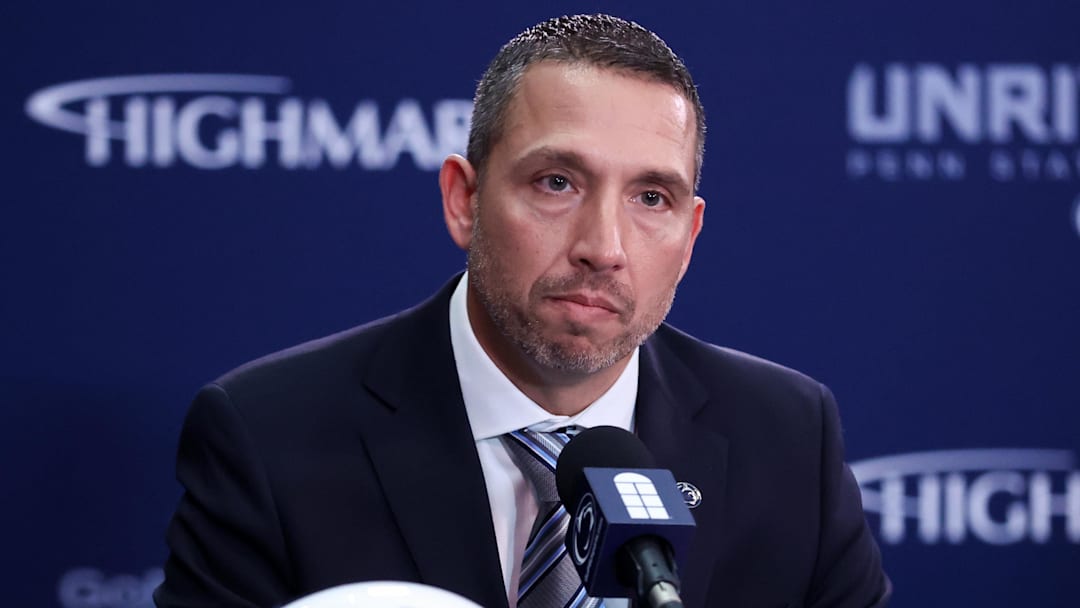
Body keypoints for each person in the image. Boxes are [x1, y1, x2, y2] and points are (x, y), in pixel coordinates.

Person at [154, 13, 890, 608]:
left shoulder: (788, 438)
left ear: (690, 236)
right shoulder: (269, 435)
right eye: (558, 182)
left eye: (651, 198)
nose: (603, 247)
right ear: (463, 200)